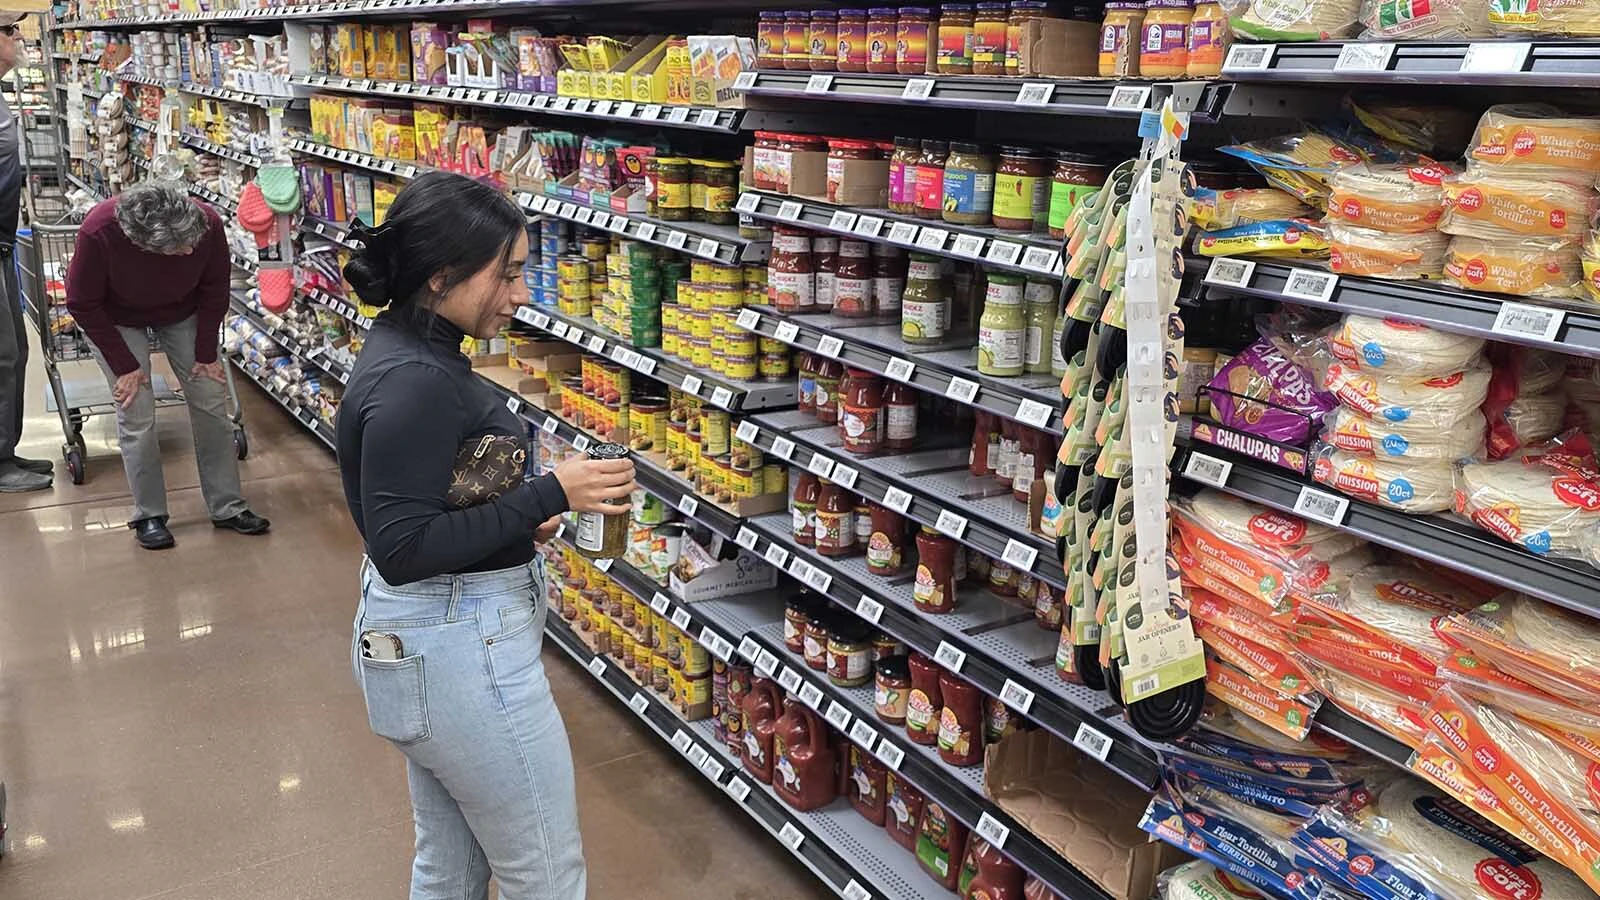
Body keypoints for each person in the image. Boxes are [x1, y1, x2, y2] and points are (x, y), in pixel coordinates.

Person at [337, 171, 630, 900]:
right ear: (442, 278)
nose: (521, 295)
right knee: (547, 877)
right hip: (459, 653)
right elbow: (401, 549)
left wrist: (513, 517)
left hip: (435, 648)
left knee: (454, 868)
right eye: (509, 275)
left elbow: (429, 500)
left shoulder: (413, 348)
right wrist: (547, 492)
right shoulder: (417, 380)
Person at [64, 182, 269, 549]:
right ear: (142, 243)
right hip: (117, 317)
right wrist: (125, 365)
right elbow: (81, 302)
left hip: (182, 311)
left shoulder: (206, 223)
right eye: (179, 249)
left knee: (210, 397)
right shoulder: (100, 231)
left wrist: (206, 352)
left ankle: (228, 506)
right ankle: (150, 515)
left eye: (192, 241)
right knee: (136, 408)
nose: (191, 249)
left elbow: (215, 287)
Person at [0, 11, 52, 492]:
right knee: (2, 353)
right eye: (8, 30)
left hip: (2, 241)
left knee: (15, 349)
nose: (17, 37)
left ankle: (7, 449)